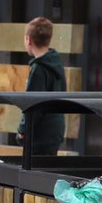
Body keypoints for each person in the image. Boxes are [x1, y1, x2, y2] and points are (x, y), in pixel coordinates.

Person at [16, 16, 67, 156]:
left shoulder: (38, 69)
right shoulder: (57, 63)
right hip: (55, 129)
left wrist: (22, 129)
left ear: (29, 40)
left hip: (40, 132)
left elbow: (32, 104)